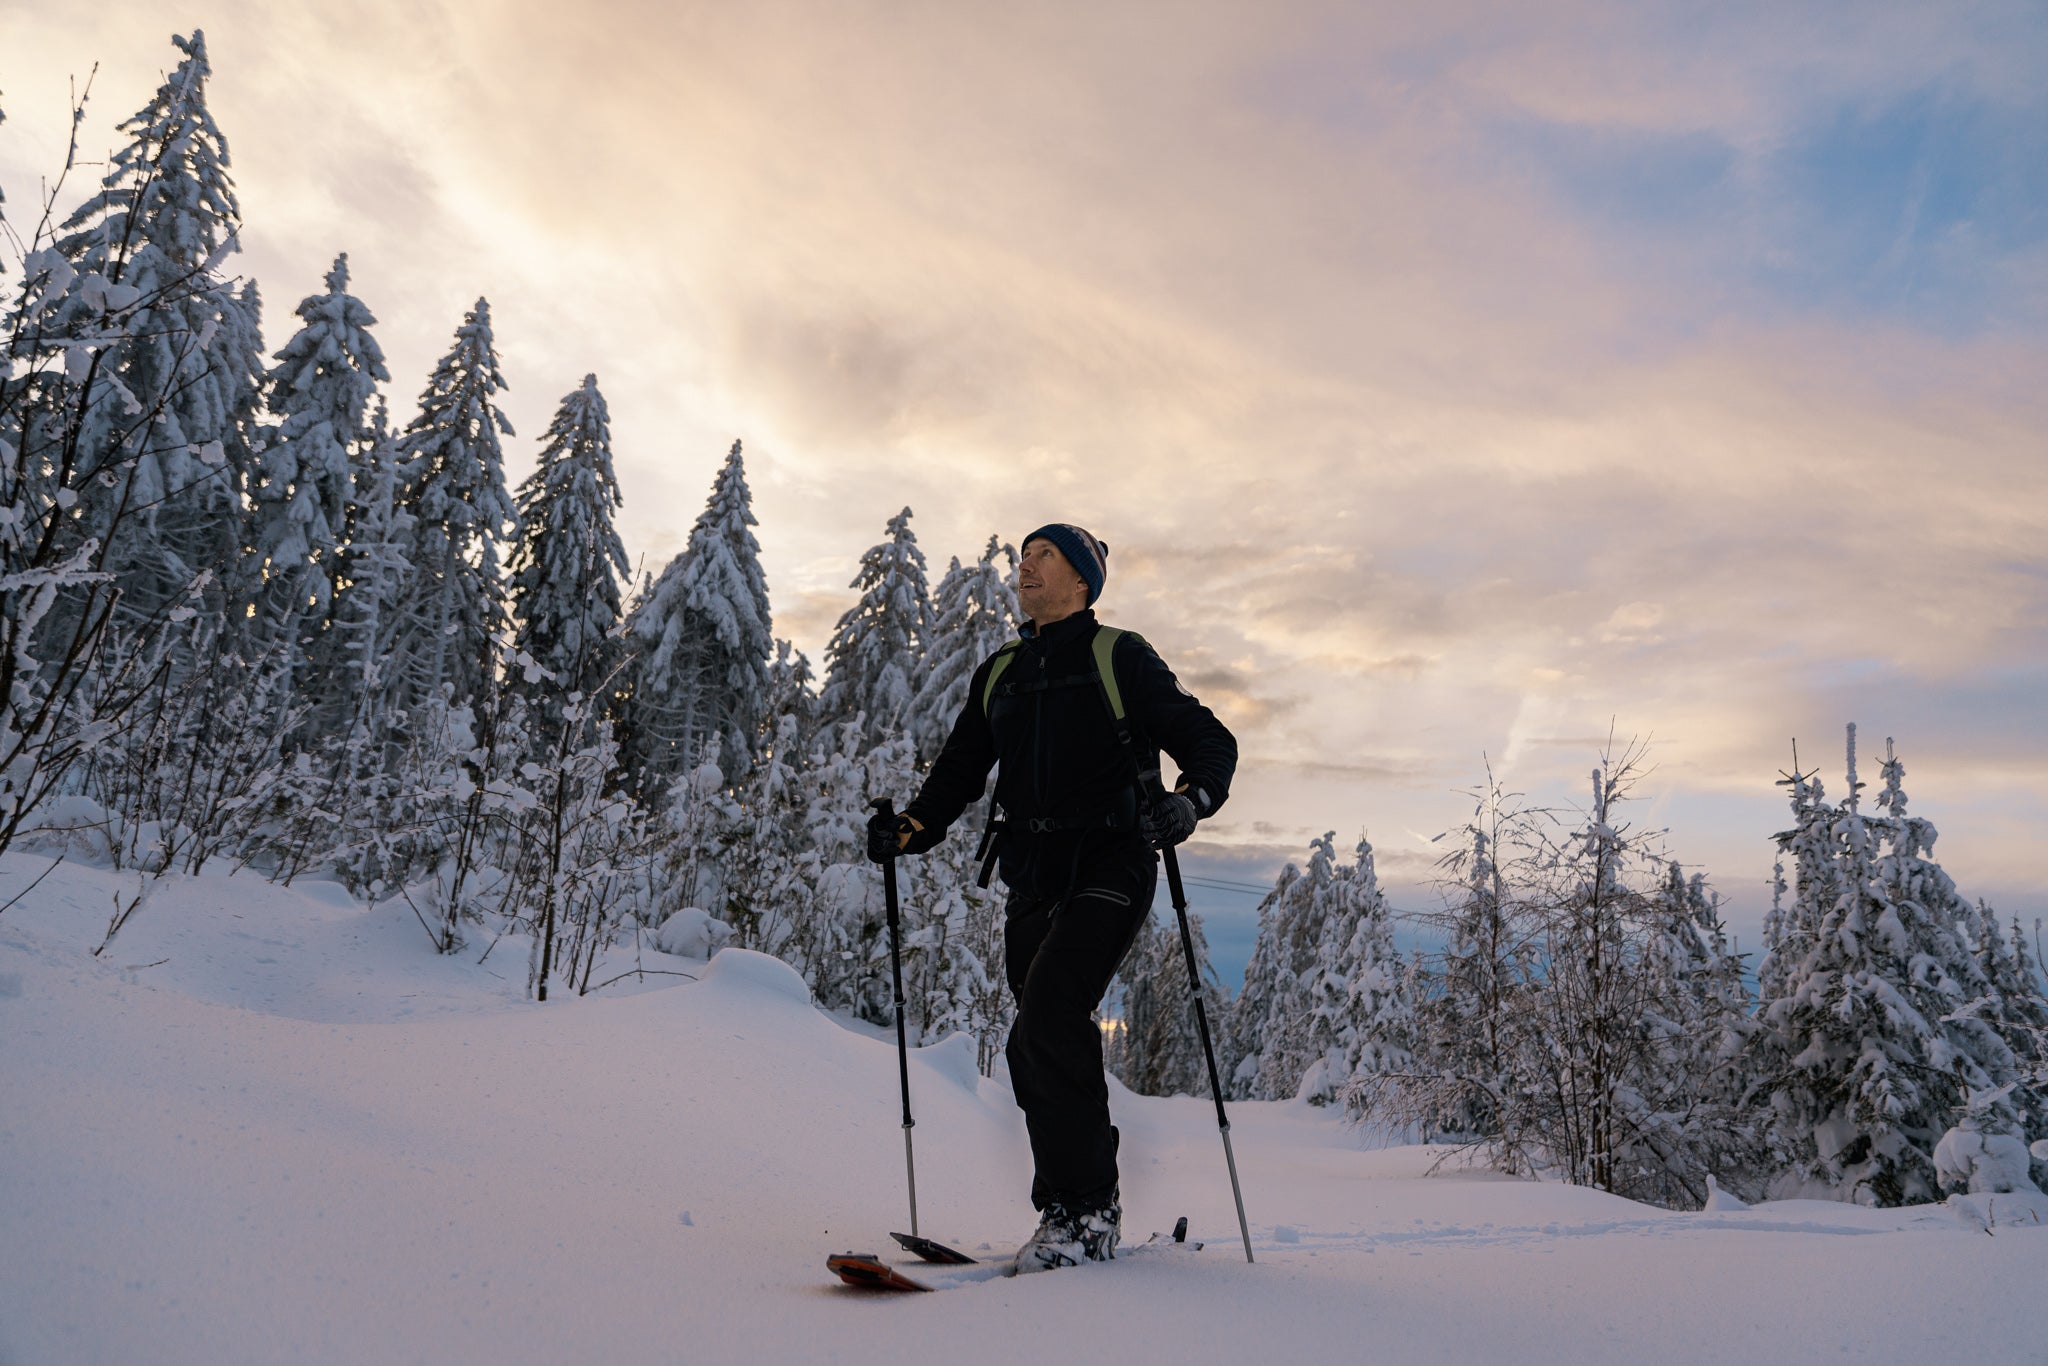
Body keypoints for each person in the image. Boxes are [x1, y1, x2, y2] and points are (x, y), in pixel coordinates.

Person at [865, 522, 1237, 1271]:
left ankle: (1084, 1214)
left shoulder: (1118, 656)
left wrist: (1191, 800)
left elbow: (1209, 738)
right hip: (1031, 873)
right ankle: (1082, 1194)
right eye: (1024, 555)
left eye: (1044, 557)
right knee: (1036, 1043)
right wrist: (910, 828)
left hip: (1112, 861)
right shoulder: (1001, 671)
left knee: (1049, 1016)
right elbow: (960, 771)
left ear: (1082, 583)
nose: (1025, 566)